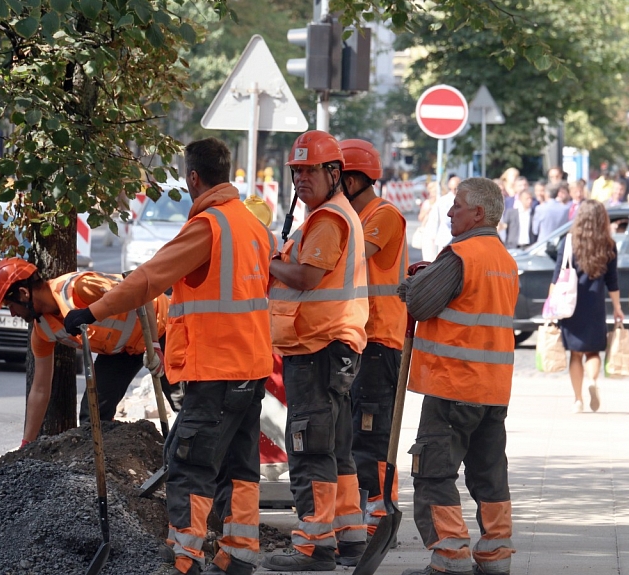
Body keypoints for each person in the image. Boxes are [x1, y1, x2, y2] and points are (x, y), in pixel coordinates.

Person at [64, 137, 276, 575]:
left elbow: (148, 279)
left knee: (189, 460)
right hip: (251, 370)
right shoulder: (254, 228)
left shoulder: (208, 227)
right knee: (239, 466)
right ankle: (239, 554)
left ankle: (186, 556)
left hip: (215, 371)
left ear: (193, 178)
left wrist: (91, 311)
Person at [398, 177, 518, 575]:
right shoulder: (505, 260)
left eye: (457, 206)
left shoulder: (462, 254)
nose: (449, 212)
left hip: (453, 386)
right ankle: (496, 555)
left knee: (434, 471)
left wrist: (412, 285)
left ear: (478, 214)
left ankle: (450, 556)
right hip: (493, 389)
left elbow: (420, 301)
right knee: (488, 473)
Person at [263, 130, 369, 571]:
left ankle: (314, 544)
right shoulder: (329, 215)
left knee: (309, 448)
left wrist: (265, 261)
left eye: (310, 171)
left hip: (317, 348)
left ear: (334, 173)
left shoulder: (328, 220)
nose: (302, 179)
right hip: (330, 347)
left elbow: (305, 278)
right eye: (297, 171)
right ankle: (349, 536)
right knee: (335, 448)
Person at [0, 260, 179, 446]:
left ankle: (198, 467)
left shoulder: (79, 288)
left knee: (183, 401)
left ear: (23, 293)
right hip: (121, 351)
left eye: (9, 305)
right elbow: (40, 389)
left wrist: (154, 345)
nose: (11, 313)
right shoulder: (42, 331)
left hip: (161, 328)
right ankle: (111, 471)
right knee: (93, 419)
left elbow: (139, 291)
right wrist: (26, 443)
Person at [339, 139, 407, 541]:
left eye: (335, 177)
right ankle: (365, 512)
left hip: (380, 339)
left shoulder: (384, 215)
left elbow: (349, 256)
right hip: (359, 337)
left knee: (372, 432)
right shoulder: (352, 217)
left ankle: (381, 517)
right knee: (354, 433)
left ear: (352, 178)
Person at [552, 200, 624, 414]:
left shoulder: (569, 242)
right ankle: (592, 381)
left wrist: (551, 304)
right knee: (592, 352)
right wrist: (618, 307)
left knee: (575, 354)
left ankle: (577, 400)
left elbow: (557, 276)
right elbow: (613, 281)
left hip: (570, 305)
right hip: (595, 305)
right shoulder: (608, 244)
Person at [426, 175, 461, 257]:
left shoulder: (464, 199)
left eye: (456, 188)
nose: (454, 191)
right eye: (453, 188)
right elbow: (446, 219)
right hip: (445, 238)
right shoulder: (444, 200)